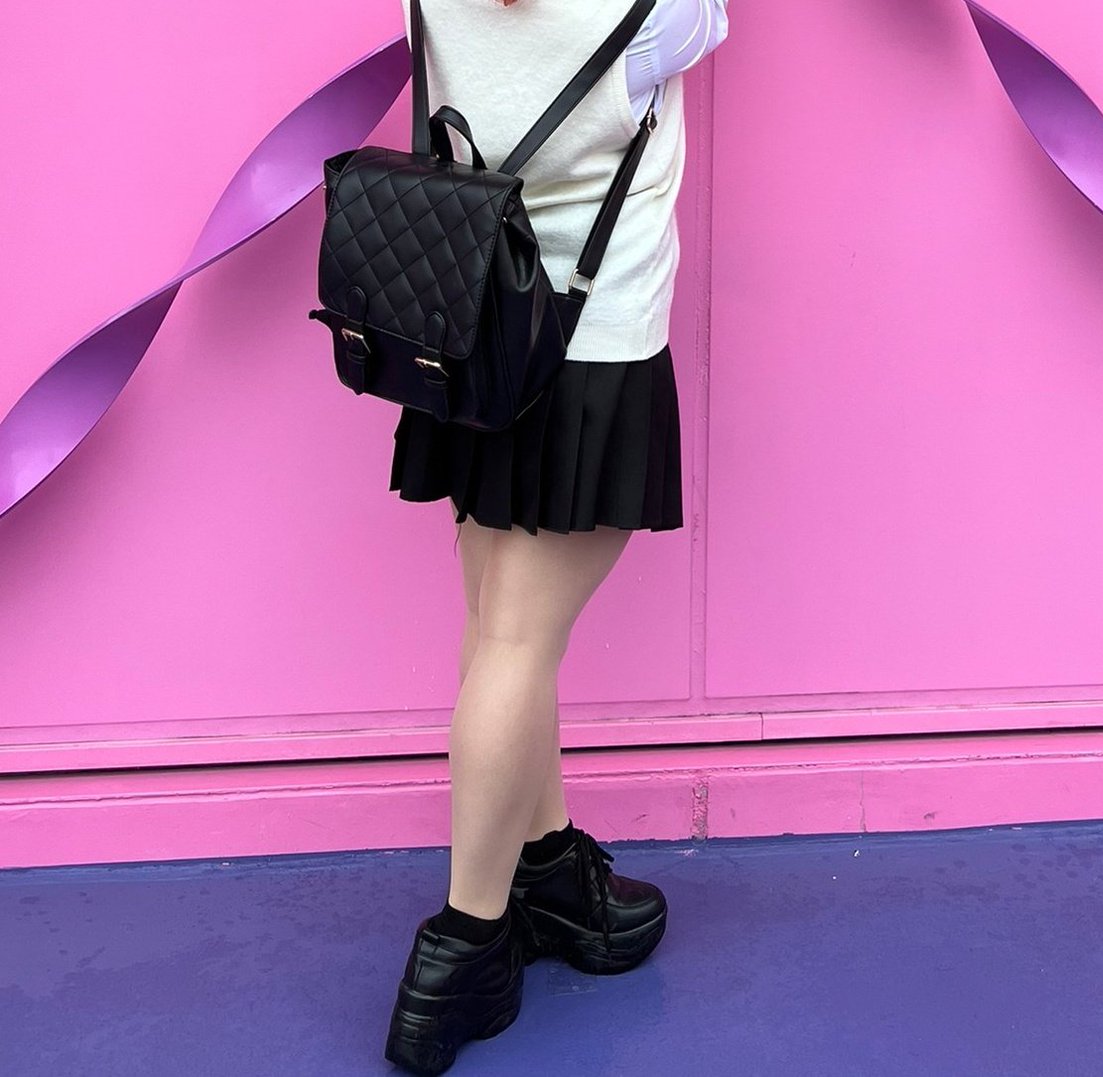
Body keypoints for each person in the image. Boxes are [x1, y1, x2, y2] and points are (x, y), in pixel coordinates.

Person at [384, 1, 730, 1073]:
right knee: (516, 645)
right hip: (590, 337)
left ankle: (544, 869)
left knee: (498, 630)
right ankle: (463, 945)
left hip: (472, 324)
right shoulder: (660, 10)